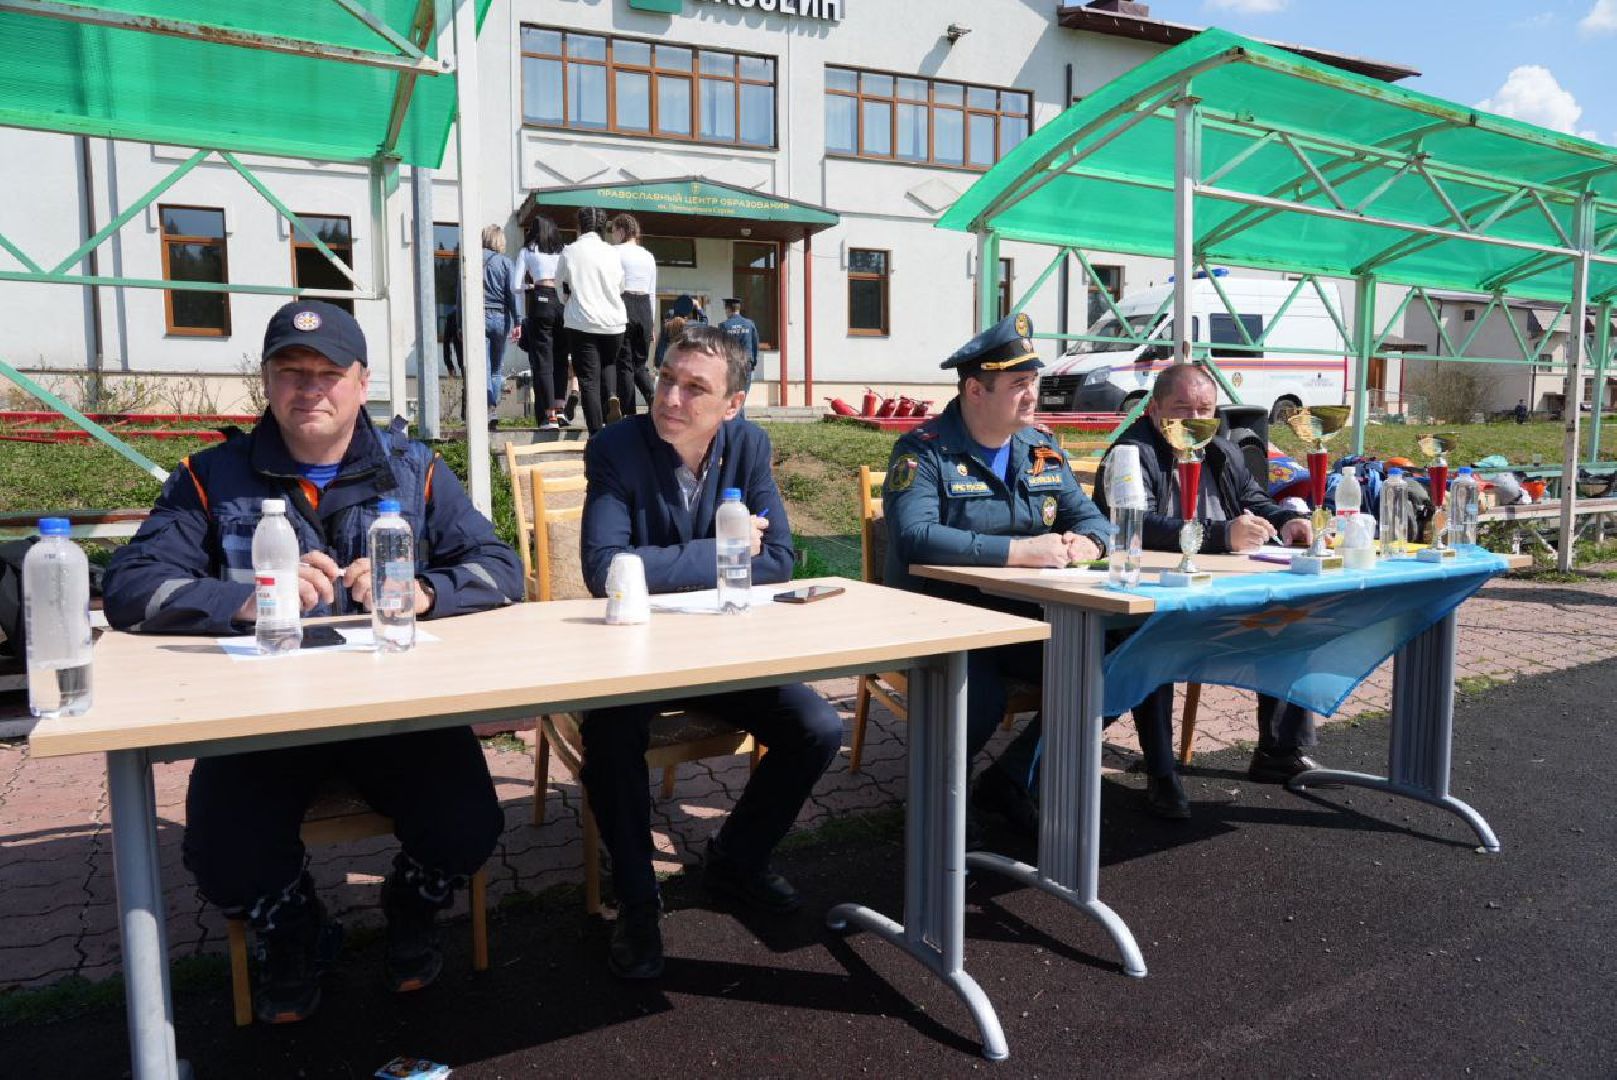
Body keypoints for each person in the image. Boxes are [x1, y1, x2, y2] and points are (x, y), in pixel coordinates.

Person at [101, 300, 525, 1023]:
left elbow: (498, 567)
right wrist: (241, 600)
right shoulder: (211, 476)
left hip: (396, 711)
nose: (310, 388)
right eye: (291, 371)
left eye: (330, 373)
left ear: (362, 383)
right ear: (266, 382)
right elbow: (129, 587)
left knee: (468, 825)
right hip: (262, 717)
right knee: (221, 853)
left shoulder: (416, 469)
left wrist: (423, 591)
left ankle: (412, 902)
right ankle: (294, 927)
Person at [578, 323, 842, 980]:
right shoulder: (616, 446)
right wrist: (721, 552)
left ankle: (737, 861)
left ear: (731, 405)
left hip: (724, 654)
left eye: (695, 387)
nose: (670, 396)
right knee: (610, 740)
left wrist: (669, 564)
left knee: (816, 726)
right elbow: (605, 565)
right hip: (633, 655)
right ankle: (638, 901)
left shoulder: (748, 445)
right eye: (666, 377)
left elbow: (780, 559)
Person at [883, 313, 1110, 835]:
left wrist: (1088, 543)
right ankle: (935, 807)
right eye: (1017, 385)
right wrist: (1021, 552)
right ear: (974, 390)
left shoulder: (1041, 447)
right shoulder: (924, 450)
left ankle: (1012, 777)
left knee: (1104, 669)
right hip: (942, 619)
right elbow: (913, 537)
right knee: (977, 697)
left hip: (1019, 616)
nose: (1031, 396)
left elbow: (1094, 518)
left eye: (1032, 383)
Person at [1092, 362, 1319, 819]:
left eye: (1205, 409)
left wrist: (1286, 521)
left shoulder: (1224, 452)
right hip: (1157, 597)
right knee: (1153, 644)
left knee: (1290, 621)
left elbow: (1255, 501)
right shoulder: (1129, 453)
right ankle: (1161, 772)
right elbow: (1130, 525)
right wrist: (1221, 536)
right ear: (1154, 410)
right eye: (1181, 408)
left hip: (1223, 595)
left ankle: (1277, 753)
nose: (1194, 419)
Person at [557, 206, 626, 433]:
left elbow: (561, 289)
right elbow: (621, 286)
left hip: (582, 322)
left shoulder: (570, 251)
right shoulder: (612, 252)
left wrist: (570, 298)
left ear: (579, 226)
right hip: (614, 323)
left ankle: (597, 435)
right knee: (608, 365)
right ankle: (612, 398)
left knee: (588, 380)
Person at [518, 215, 567, 430]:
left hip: (541, 300)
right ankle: (561, 407)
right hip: (562, 302)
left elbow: (515, 284)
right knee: (561, 357)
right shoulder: (562, 250)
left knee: (543, 358)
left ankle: (549, 416)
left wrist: (530, 288)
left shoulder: (528, 250)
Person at [609, 214, 658, 416]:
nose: (612, 237)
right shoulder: (648, 255)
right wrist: (651, 323)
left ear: (621, 231)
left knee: (624, 365)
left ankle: (629, 413)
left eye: (612, 232)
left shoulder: (613, 253)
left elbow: (611, 284)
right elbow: (652, 290)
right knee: (639, 363)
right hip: (644, 306)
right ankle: (652, 396)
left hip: (624, 303)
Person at [480, 224, 521, 430]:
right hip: (500, 317)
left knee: (484, 367)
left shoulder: (471, 259)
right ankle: (492, 409)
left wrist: (461, 322)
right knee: (496, 368)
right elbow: (513, 293)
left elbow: (461, 293)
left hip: (477, 316)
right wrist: (518, 320)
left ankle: (485, 409)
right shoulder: (506, 262)